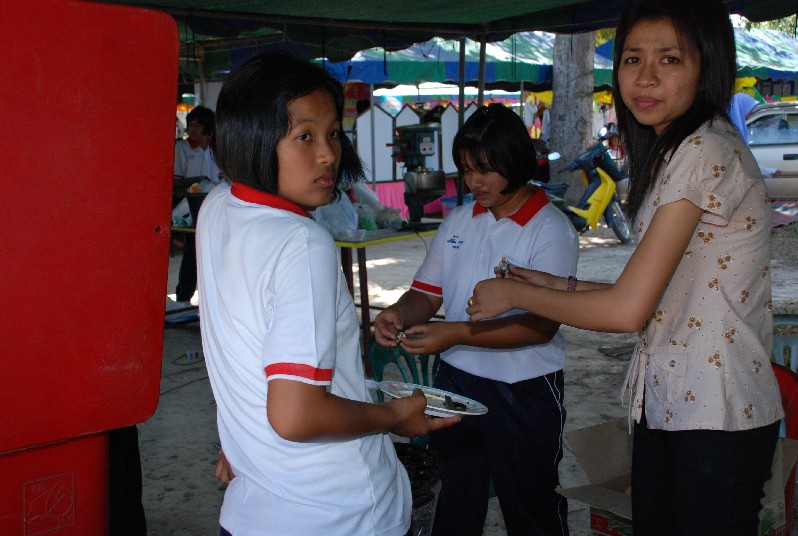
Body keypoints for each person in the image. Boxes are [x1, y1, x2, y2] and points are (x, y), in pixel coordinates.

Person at [466, 1, 783, 534]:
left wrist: (515, 296)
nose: (646, 77)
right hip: (676, 402)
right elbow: (660, 293)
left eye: (669, 59)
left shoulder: (704, 149)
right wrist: (557, 284)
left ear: (707, 65)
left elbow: (626, 310)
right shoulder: (680, 148)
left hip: (716, 411)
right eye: (633, 58)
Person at [195, 51, 459, 536]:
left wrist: (240, 435)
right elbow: (297, 415)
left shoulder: (218, 206)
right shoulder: (301, 243)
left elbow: (242, 349)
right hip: (338, 512)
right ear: (253, 138)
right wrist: (395, 415)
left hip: (254, 509)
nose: (328, 155)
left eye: (333, 133)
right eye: (304, 136)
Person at [374, 104, 578, 536]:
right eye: (467, 170)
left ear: (515, 162)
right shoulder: (460, 220)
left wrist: (456, 333)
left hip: (524, 387)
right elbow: (426, 293)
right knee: (456, 498)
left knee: (531, 503)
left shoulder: (551, 229)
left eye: (485, 170)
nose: (474, 182)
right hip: (456, 383)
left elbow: (540, 326)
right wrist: (398, 313)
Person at [171, 105, 221, 307]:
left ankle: (213, 302)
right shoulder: (182, 149)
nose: (192, 129)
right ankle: (184, 297)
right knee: (192, 253)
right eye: (190, 125)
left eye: (197, 125)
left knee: (216, 253)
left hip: (216, 206)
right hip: (191, 206)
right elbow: (177, 182)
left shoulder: (217, 148)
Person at [728, 92, 780, 177]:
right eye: (750, 109)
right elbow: (743, 162)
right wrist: (769, 171)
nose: (751, 113)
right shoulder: (733, 133)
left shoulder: (734, 129)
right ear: (742, 108)